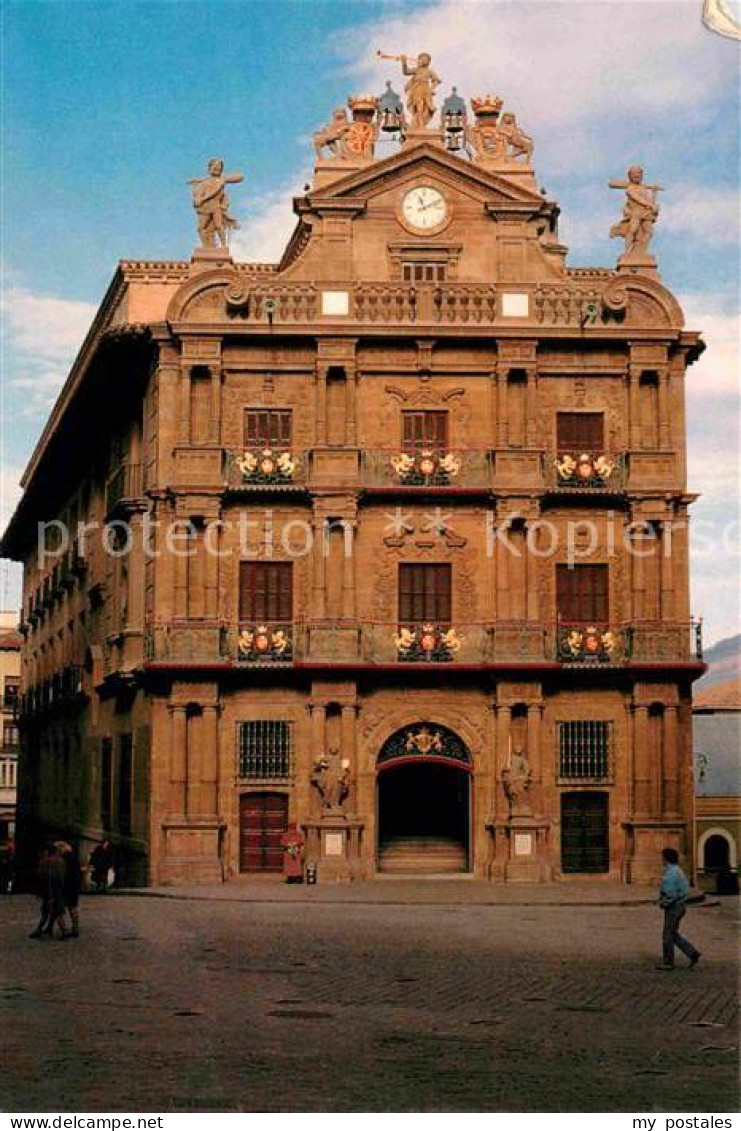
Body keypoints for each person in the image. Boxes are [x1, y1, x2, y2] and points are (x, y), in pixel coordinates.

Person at [656, 846, 701, 971]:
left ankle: (668, 962)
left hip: (673, 907)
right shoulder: (678, 871)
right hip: (681, 905)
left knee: (667, 935)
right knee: (673, 934)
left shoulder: (669, 874)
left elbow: (670, 894)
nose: (661, 860)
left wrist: (663, 903)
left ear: (666, 858)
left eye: (663, 857)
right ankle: (692, 953)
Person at [29, 843, 69, 940]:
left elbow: (41, 877)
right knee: (57, 911)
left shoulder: (45, 862)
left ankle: (43, 930)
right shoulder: (62, 861)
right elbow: (63, 876)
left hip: (48, 890)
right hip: (58, 889)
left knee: (46, 911)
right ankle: (51, 929)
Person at [57, 841, 82, 937]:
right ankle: (75, 928)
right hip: (74, 885)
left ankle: (64, 930)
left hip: (65, 885)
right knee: (73, 907)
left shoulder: (63, 859)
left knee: (59, 908)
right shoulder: (74, 857)